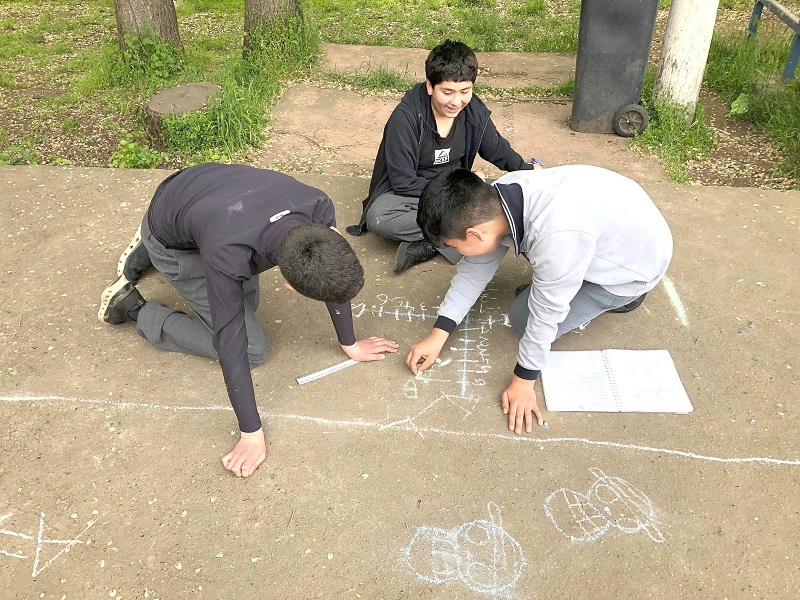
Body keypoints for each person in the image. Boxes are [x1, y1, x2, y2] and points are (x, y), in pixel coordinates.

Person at [98, 163, 399, 478]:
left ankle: (154, 242)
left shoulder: (318, 205)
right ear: (290, 286)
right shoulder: (228, 253)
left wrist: (348, 343)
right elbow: (231, 342)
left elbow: (332, 275)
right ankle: (136, 307)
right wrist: (251, 433)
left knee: (247, 304)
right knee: (254, 348)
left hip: (204, 192)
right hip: (181, 230)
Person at [406, 165, 673, 434]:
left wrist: (523, 381)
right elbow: (475, 270)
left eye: (454, 246)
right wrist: (439, 333)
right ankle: (563, 279)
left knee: (524, 319)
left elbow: (548, 312)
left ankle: (626, 296)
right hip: (608, 227)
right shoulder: (499, 196)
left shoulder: (558, 236)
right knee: (543, 289)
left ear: (474, 234)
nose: (457, 253)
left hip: (632, 269)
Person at [346, 39, 536, 273]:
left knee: (511, 200)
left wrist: (529, 173)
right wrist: (458, 193)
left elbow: (498, 150)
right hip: (414, 194)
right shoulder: (405, 118)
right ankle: (451, 239)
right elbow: (403, 182)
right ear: (430, 86)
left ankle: (429, 243)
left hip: (457, 191)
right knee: (379, 217)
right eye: (447, 92)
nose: (456, 102)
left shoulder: (472, 111)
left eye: (465, 91)